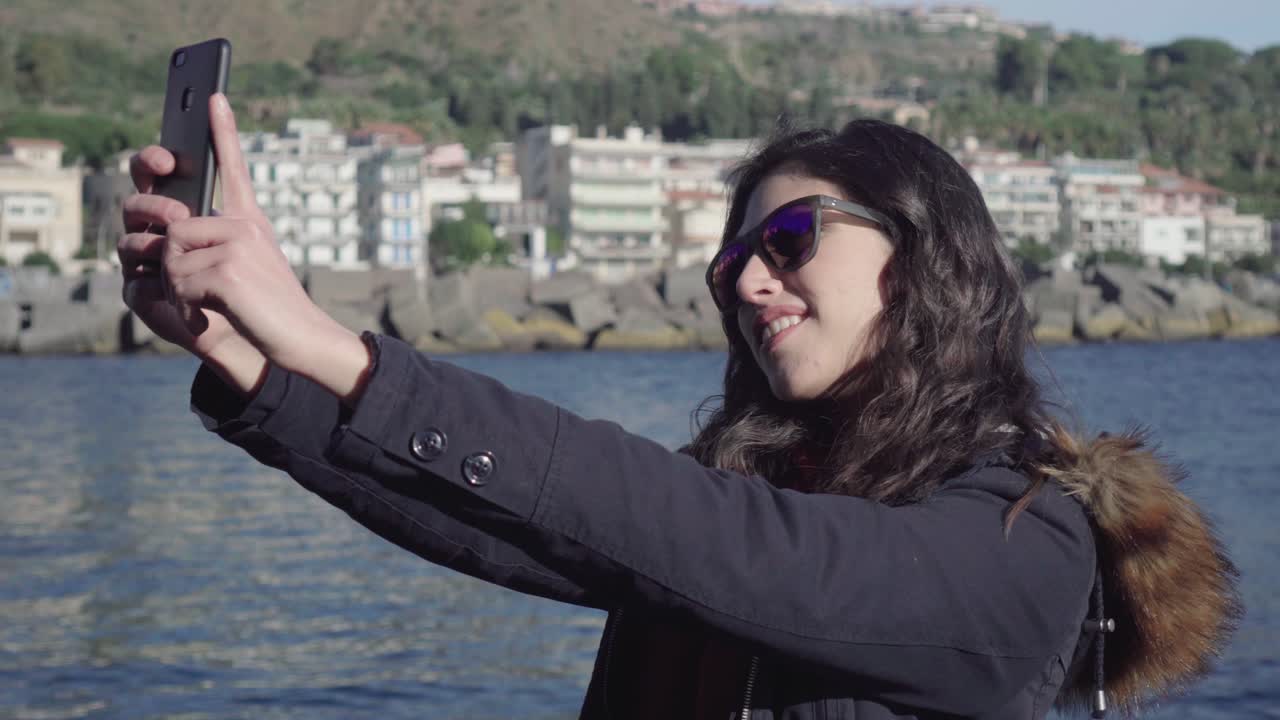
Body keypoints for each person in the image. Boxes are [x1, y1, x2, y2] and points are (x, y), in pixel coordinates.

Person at [120, 94, 1239, 719]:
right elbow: (521, 531)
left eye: (790, 240)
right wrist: (255, 366)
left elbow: (731, 549)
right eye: (733, 263)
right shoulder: (758, 485)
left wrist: (330, 342)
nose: (750, 282)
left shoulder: (1020, 533)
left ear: (926, 253)